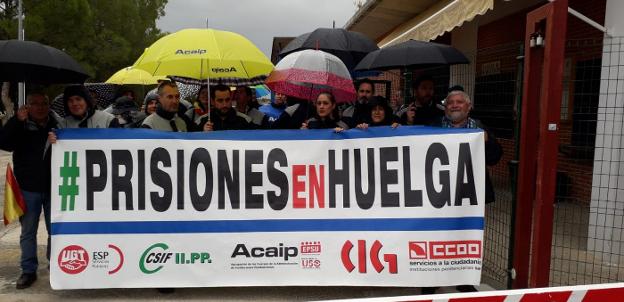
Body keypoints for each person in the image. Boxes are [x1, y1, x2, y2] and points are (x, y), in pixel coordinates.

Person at [423, 89, 503, 295]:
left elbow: (495, 158)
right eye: (451, 102)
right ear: (446, 107)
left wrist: (488, 141)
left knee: (465, 237)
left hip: (468, 194)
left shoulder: (480, 129)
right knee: (436, 236)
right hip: (439, 194)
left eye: (460, 102)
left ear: (469, 107)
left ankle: (463, 279)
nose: (455, 105)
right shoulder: (433, 127)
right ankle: (430, 279)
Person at [0, 92, 62, 289]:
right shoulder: (20, 124)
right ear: (28, 106)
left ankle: (55, 266)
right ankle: (28, 270)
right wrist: (17, 122)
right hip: (28, 188)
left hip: (55, 188)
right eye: (34, 103)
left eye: (44, 103)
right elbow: (4, 143)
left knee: (57, 231)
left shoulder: (58, 125)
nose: (40, 107)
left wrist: (59, 138)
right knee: (28, 232)